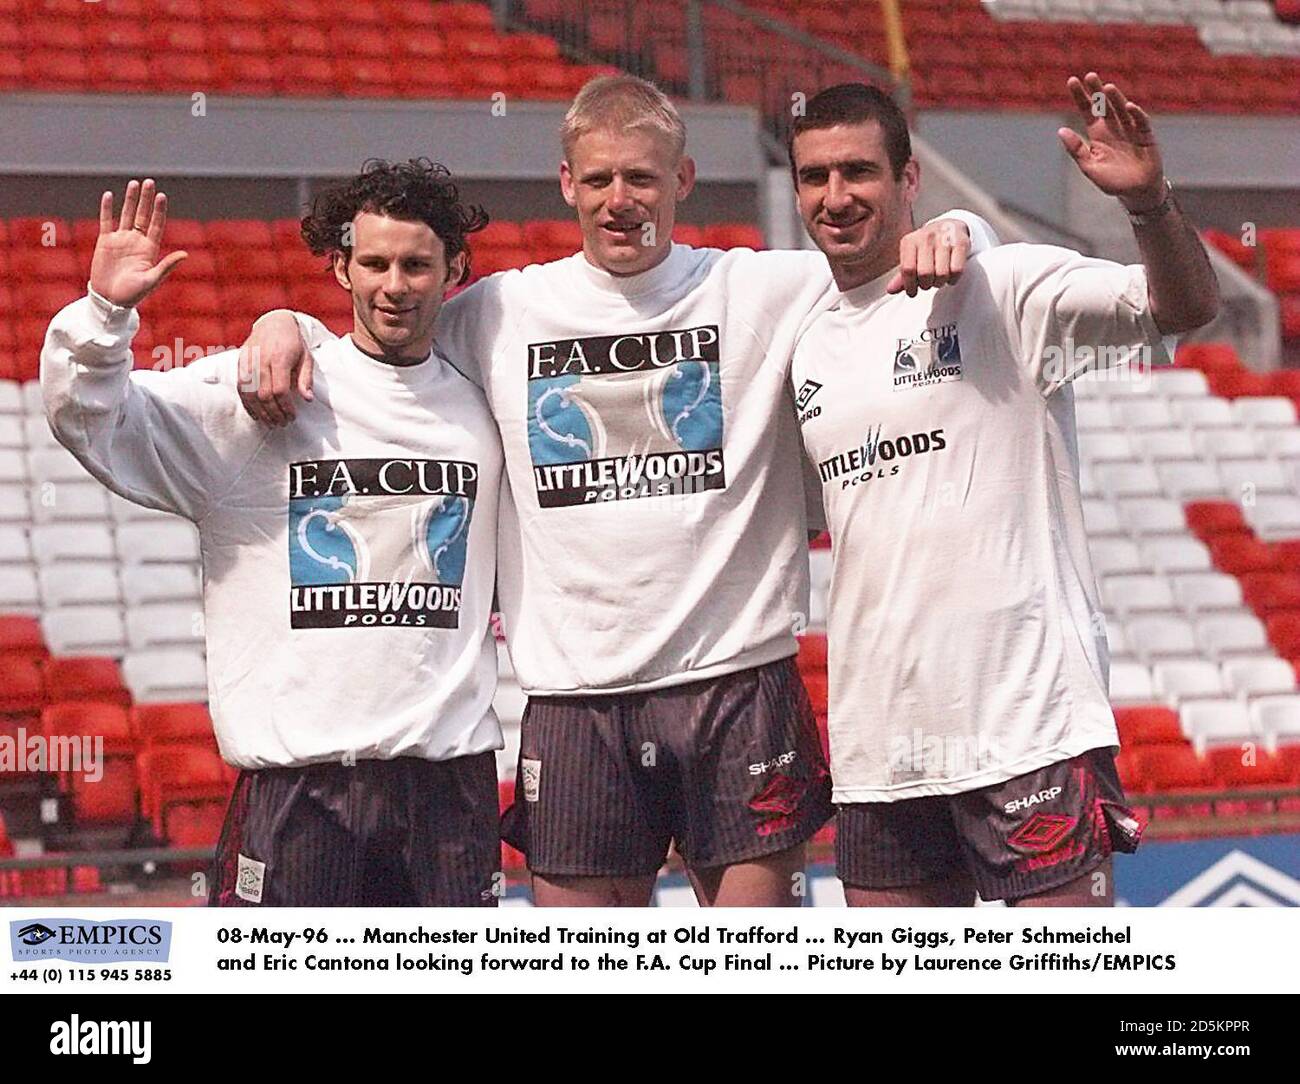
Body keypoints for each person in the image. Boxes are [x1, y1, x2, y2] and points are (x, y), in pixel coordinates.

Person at [236, 75, 998, 907]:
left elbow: (888, 257)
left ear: (683, 182)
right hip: (575, 703)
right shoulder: (498, 311)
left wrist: (964, 224)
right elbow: (381, 329)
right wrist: (288, 322)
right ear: (568, 184)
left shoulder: (762, 289)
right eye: (598, 179)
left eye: (641, 178)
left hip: (737, 683)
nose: (620, 200)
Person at [787, 76, 1219, 906]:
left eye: (859, 172)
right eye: (815, 177)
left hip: (1031, 727)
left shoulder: (1003, 283)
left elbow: (1182, 306)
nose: (836, 197)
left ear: (909, 179)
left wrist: (1150, 205)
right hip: (884, 747)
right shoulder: (804, 344)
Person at [40, 162, 505, 906]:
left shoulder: (489, 411)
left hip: (450, 790)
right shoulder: (266, 392)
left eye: (417, 264)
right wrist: (103, 317)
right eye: (375, 262)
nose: (395, 285)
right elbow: (93, 421)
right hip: (301, 795)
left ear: (456, 269)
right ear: (340, 265)